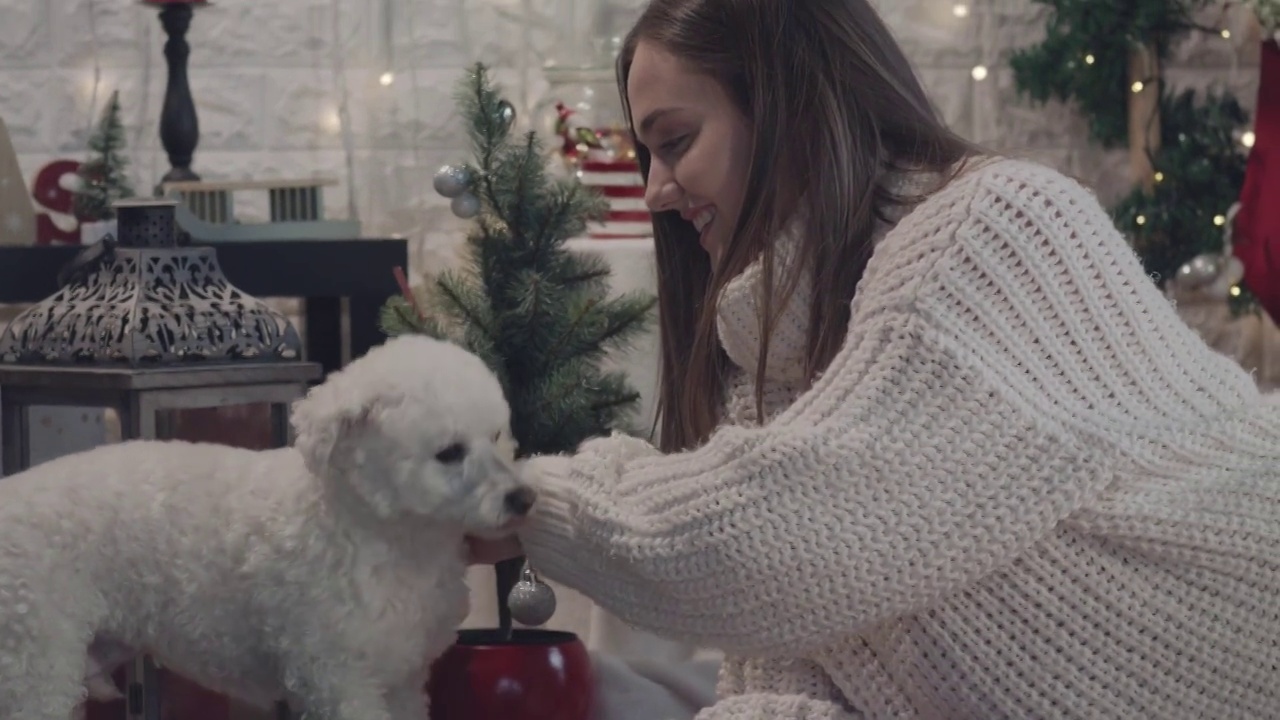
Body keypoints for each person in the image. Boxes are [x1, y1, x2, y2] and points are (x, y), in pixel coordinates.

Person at [469, 0, 1280, 717]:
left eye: (675, 141)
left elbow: (796, 526)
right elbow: (789, 657)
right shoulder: (778, 359)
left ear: (787, 100)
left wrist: (534, 504)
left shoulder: (996, 226)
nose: (654, 190)